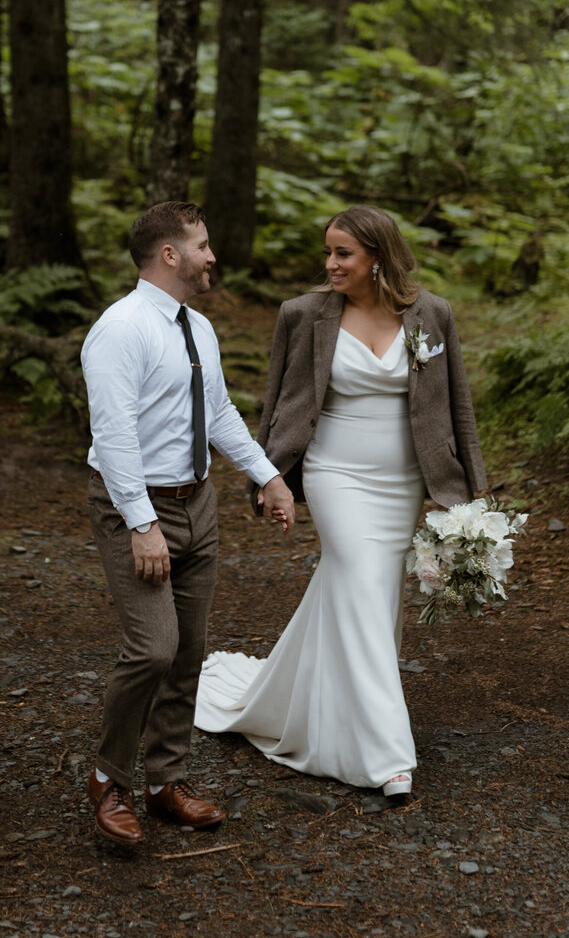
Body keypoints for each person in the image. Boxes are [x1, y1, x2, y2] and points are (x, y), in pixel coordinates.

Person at [195, 205, 487, 798]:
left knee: (372, 600)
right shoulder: (302, 316)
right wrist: (268, 479)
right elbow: (279, 404)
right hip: (335, 472)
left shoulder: (431, 314)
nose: (330, 264)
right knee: (355, 577)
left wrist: (469, 495)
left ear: (377, 256)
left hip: (402, 480)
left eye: (342, 254)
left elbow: (457, 405)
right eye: (327, 253)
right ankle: (387, 756)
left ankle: (306, 705)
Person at [80, 200, 295, 849]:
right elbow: (113, 434)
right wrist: (141, 522)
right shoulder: (119, 330)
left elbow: (220, 411)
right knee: (153, 647)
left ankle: (163, 781)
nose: (211, 256)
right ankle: (107, 779)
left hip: (197, 501)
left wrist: (267, 474)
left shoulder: (197, 328)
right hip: (137, 503)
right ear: (169, 254)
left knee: (190, 651)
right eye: (201, 245)